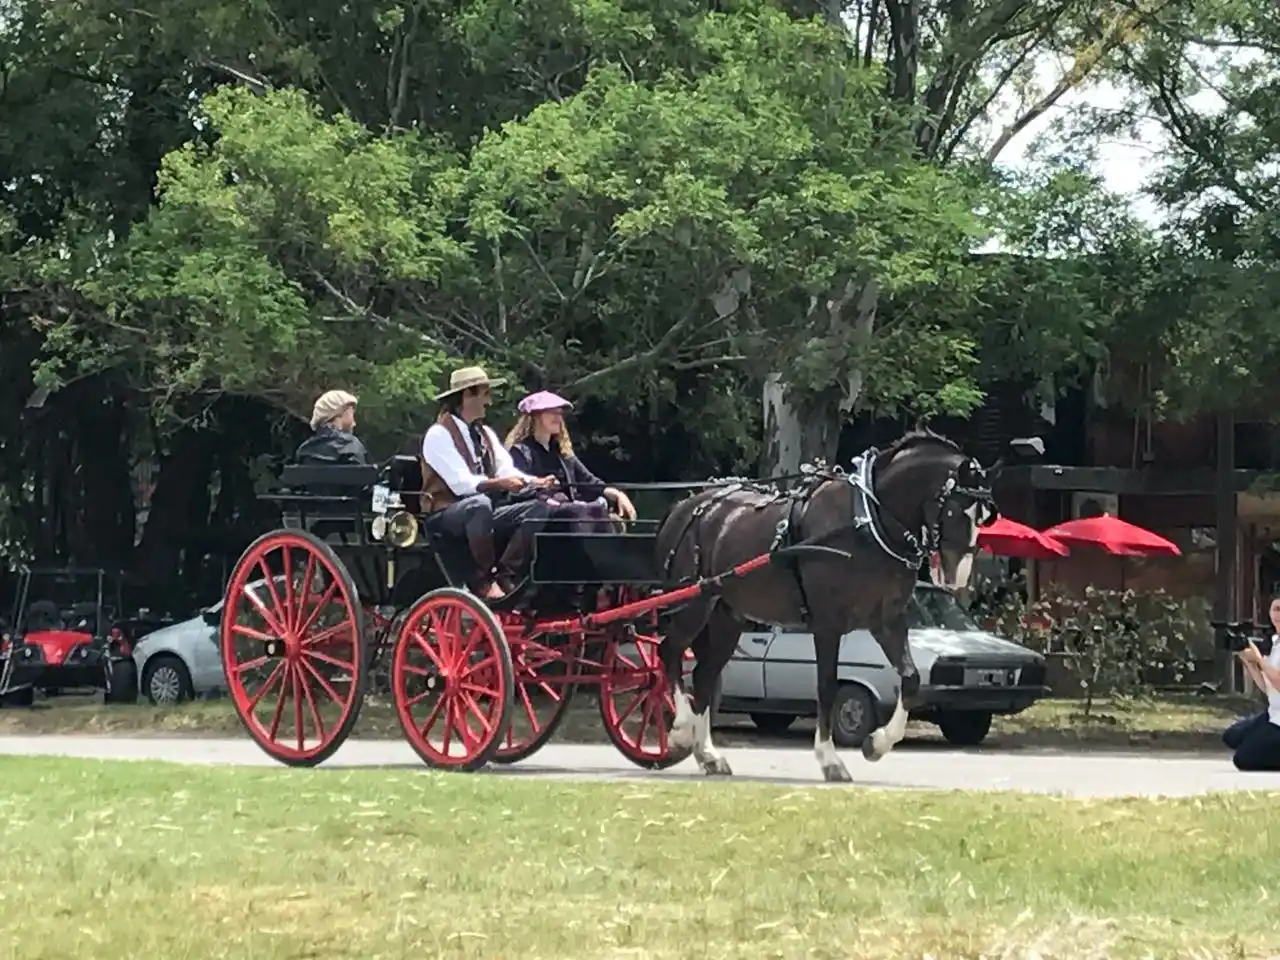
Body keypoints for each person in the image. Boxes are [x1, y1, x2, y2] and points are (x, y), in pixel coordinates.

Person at [419, 366, 555, 599]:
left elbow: (507, 469)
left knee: (539, 508)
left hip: (483, 511)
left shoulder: (486, 434)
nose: (489, 401)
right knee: (478, 505)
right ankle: (481, 581)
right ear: (466, 396)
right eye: (484, 394)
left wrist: (536, 482)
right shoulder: (438, 434)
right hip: (446, 515)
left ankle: (506, 573)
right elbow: (461, 484)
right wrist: (499, 483)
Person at [504, 390, 637, 533]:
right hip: (544, 514)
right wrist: (550, 500)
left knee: (597, 509)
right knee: (587, 510)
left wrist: (617, 494)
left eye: (560, 413)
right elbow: (519, 492)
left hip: (570, 512)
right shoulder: (520, 452)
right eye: (552, 413)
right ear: (535, 416)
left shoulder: (563, 454)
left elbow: (589, 481)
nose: (558, 418)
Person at [1223, 593, 1280, 771]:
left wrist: (1260, 660)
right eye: (1276, 609)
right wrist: (1248, 661)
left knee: (1243, 759)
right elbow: (1267, 688)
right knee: (1232, 736)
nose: (1278, 614)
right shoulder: (1274, 643)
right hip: (1273, 712)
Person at [294, 390, 372, 465]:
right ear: (338, 414)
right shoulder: (352, 446)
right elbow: (364, 476)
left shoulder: (303, 451)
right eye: (351, 414)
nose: (354, 423)